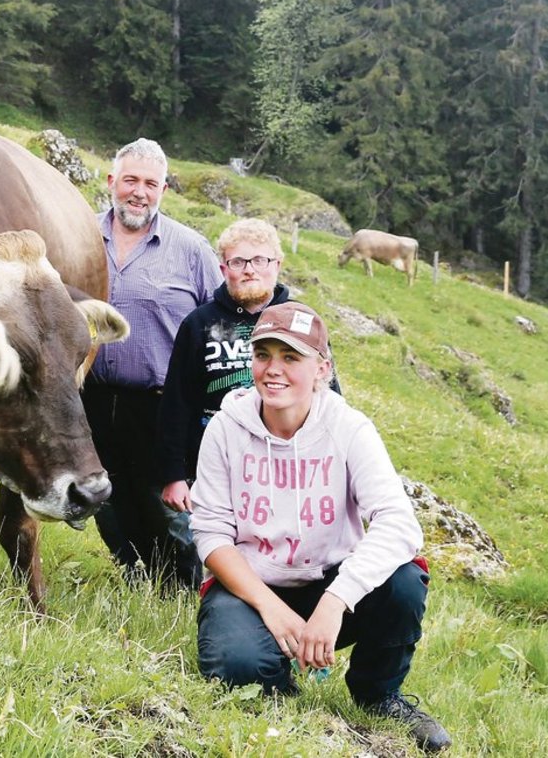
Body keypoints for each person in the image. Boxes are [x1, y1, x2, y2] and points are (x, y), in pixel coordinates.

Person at [190, 301, 451, 753]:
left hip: (332, 584)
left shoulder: (349, 428)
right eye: (263, 355)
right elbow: (210, 532)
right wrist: (271, 608)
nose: (273, 370)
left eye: (291, 358)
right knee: (236, 667)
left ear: (322, 369)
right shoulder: (225, 429)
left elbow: (398, 523)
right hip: (252, 587)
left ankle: (377, 693)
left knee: (405, 582)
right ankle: (277, 672)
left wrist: (336, 601)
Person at [82, 138, 222, 585]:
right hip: (90, 398)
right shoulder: (79, 236)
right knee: (104, 498)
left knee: (167, 505)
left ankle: (182, 589)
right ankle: (131, 574)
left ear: (163, 190)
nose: (138, 192)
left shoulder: (191, 249)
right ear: (111, 183)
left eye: (150, 183)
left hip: (162, 404)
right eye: (130, 181)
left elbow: (218, 319)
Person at [158, 218, 339, 518]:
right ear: (223, 269)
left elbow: (328, 394)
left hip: (290, 465)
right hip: (214, 467)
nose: (249, 269)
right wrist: (173, 475)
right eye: (238, 261)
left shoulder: (303, 322)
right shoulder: (198, 324)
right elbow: (176, 403)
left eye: (259, 260)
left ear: (278, 264)